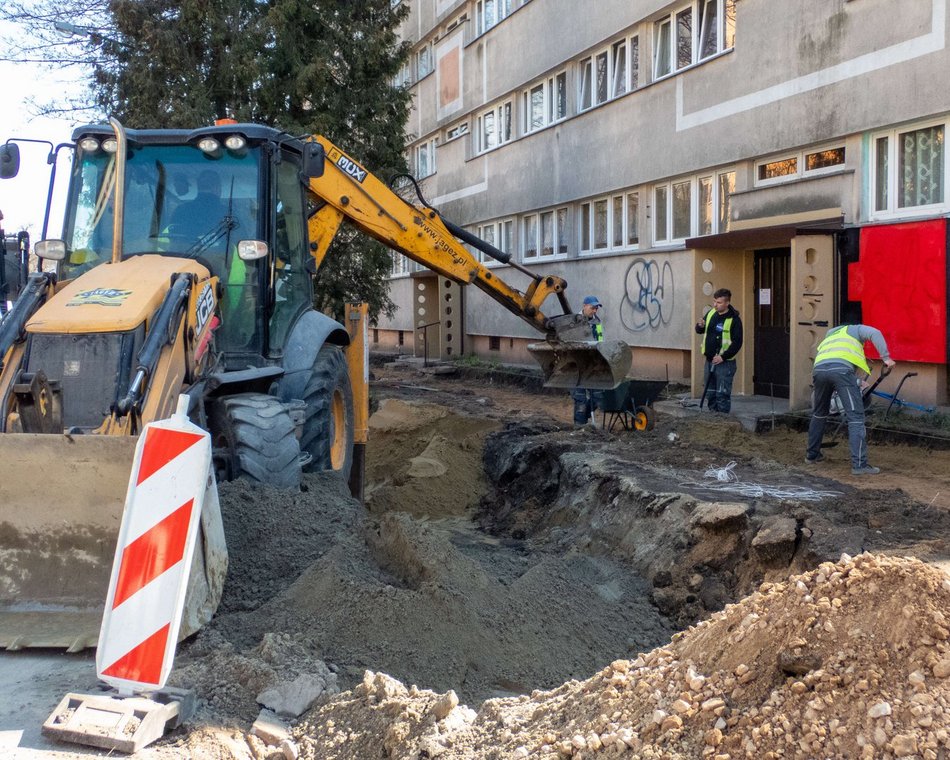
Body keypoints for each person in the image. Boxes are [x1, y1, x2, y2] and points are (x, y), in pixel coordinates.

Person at [806, 324, 896, 475]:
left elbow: (833, 362)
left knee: (819, 413)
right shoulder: (858, 330)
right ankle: (859, 465)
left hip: (819, 370)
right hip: (841, 371)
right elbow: (875, 332)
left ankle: (811, 455)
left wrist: (856, 382)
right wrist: (886, 358)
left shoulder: (831, 334)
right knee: (856, 417)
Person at [695, 288, 743, 413]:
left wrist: (723, 357)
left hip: (725, 364)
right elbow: (700, 330)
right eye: (714, 301)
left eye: (719, 302)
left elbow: (737, 342)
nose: (715, 305)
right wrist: (699, 326)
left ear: (727, 303)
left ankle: (722, 422)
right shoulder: (711, 313)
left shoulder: (734, 320)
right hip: (710, 360)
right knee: (710, 393)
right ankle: (712, 420)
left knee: (722, 395)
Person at [572, 295, 605, 427]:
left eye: (596, 308)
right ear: (584, 306)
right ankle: (579, 425)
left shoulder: (597, 323)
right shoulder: (574, 322)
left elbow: (601, 341)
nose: (595, 310)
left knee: (597, 396)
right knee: (580, 398)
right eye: (592, 307)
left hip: (593, 363)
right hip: (577, 364)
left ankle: (585, 420)